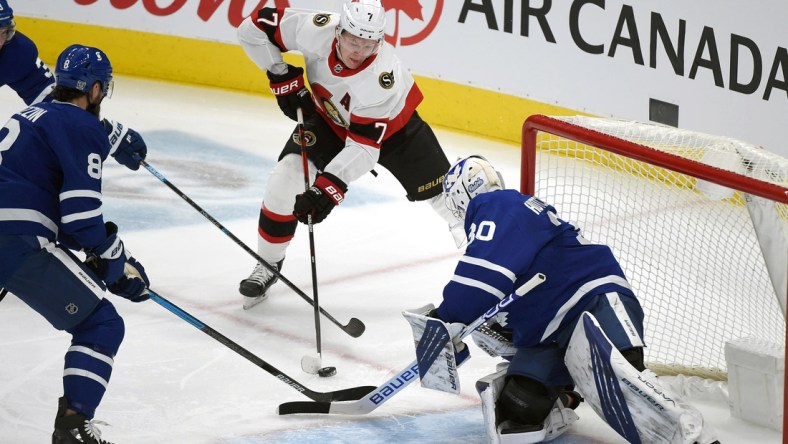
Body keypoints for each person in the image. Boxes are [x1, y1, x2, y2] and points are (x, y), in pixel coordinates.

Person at [404, 156, 720, 443]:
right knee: (518, 409)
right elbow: (509, 292)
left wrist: (447, 317)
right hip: (553, 331)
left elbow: (482, 278)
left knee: (627, 380)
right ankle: (565, 397)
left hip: (591, 296)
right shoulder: (509, 214)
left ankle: (695, 436)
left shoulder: (497, 205)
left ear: (461, 196)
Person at [235, 0, 459, 308]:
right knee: (285, 178)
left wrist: (327, 187)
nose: (358, 51)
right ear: (338, 31)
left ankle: (493, 271)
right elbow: (253, 29)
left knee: (450, 200)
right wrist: (280, 75)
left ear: (379, 42)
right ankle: (268, 265)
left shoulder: (382, 77)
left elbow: (363, 148)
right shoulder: (316, 29)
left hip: (397, 132)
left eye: (368, 44)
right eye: (353, 41)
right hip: (330, 120)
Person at [0, 44, 151, 444]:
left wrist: (114, 261)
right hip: (13, 239)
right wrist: (113, 260)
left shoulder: (31, 115)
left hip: (12, 229)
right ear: (97, 89)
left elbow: (54, 215)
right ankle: (73, 427)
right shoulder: (83, 127)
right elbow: (81, 218)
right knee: (101, 324)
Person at [0, 0, 147, 171]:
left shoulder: (16, 53)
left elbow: (54, 101)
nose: (1, 42)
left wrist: (102, 130)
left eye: (4, 32)